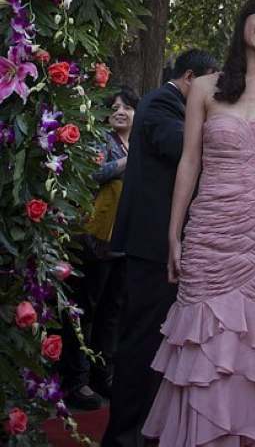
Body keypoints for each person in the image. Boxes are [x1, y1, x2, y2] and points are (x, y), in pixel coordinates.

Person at [142, 0, 255, 446]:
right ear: (243, 19)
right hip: (211, 232)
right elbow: (188, 165)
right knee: (205, 345)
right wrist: (174, 234)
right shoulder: (203, 88)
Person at [102, 49, 218, 447]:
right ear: (190, 77)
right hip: (151, 245)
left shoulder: (173, 104)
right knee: (142, 342)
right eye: (211, 85)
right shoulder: (160, 102)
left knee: (163, 341)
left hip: (170, 244)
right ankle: (123, 436)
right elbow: (182, 148)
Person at [61, 86, 139, 409]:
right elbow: (92, 173)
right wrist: (126, 164)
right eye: (115, 107)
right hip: (95, 237)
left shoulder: (138, 145)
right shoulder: (100, 140)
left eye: (127, 107)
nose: (120, 111)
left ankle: (101, 375)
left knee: (112, 312)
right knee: (85, 309)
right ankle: (75, 381)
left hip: (126, 240)